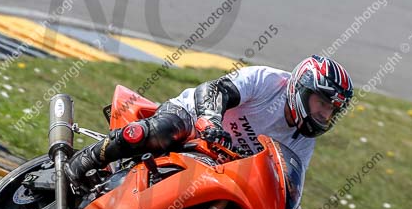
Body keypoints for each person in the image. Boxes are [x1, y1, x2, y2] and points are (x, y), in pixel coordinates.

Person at [64, 55, 353, 196]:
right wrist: (210, 120)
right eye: (322, 103)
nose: (324, 114)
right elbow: (216, 90)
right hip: (192, 120)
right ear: (301, 89)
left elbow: (290, 185)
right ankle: (84, 161)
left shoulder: (303, 141)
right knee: (158, 131)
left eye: (331, 110)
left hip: (222, 165)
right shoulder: (267, 81)